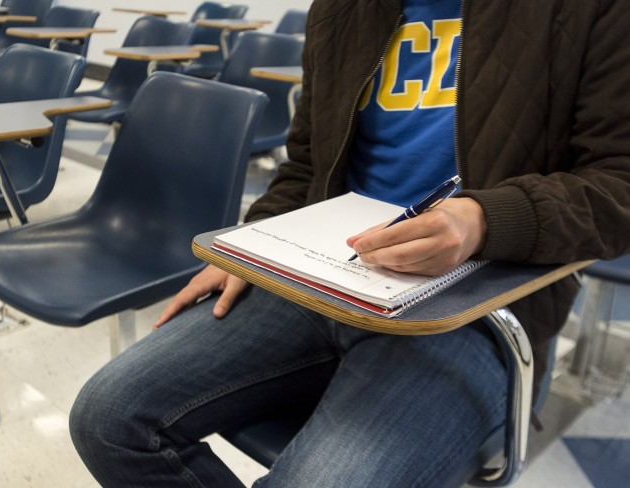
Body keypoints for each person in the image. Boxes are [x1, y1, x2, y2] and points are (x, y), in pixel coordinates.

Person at [69, 0, 630, 486]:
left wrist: (486, 220)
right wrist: (251, 245)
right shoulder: (342, 10)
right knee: (108, 418)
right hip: (321, 275)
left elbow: (617, 183)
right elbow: (308, 164)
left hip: (476, 309)